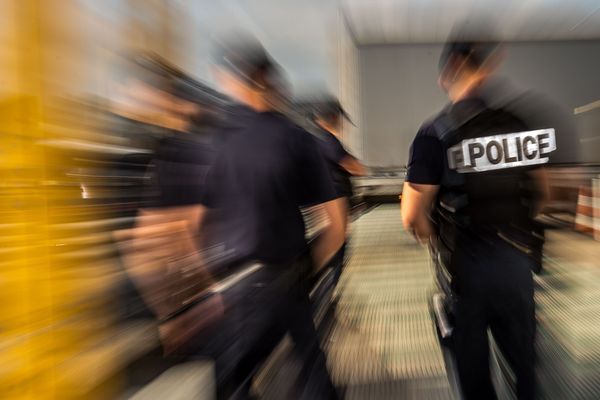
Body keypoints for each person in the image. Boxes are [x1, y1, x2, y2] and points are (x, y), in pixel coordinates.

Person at [400, 27, 554, 400]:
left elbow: (411, 214)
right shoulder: (522, 123)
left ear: (450, 70)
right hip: (517, 263)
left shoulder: (434, 134)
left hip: (465, 271)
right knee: (524, 368)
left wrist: (433, 236)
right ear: (489, 66)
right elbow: (544, 195)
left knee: (473, 373)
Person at [199, 32, 345, 400]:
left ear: (231, 80)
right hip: (289, 276)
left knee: (234, 382)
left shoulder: (212, 142)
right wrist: (306, 269)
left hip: (236, 283)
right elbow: (336, 226)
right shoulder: (298, 139)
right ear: (270, 82)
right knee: (312, 368)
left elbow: (187, 225)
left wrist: (205, 286)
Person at [311, 97, 367, 286]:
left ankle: (322, 289)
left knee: (331, 247)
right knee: (336, 249)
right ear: (334, 118)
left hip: (325, 200)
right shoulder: (328, 141)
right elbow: (354, 167)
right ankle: (322, 291)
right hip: (334, 199)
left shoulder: (316, 140)